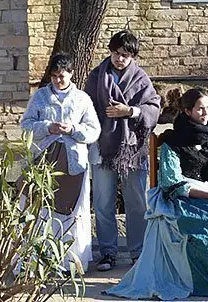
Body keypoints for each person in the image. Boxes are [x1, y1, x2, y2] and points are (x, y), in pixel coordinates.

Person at [106, 87, 208, 299]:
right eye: (200, 109)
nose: (205, 113)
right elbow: (173, 182)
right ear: (188, 111)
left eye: (207, 108)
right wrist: (207, 195)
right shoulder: (173, 142)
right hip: (184, 198)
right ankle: (199, 279)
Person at [84, 30, 161, 271]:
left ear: (133, 56)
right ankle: (108, 252)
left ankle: (138, 251)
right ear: (110, 52)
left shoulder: (141, 78)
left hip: (132, 150)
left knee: (137, 202)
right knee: (103, 203)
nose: (120, 59)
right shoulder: (96, 77)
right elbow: (85, 107)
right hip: (102, 148)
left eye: (126, 55)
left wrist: (129, 111)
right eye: (117, 54)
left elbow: (153, 108)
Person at [20, 52, 101, 273]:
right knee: (42, 210)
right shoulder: (39, 97)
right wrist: (48, 127)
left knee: (72, 211)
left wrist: (73, 130)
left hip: (74, 163)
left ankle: (70, 262)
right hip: (44, 162)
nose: (58, 80)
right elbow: (25, 125)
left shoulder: (82, 99)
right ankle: (39, 260)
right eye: (54, 76)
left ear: (71, 74)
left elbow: (94, 130)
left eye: (62, 75)